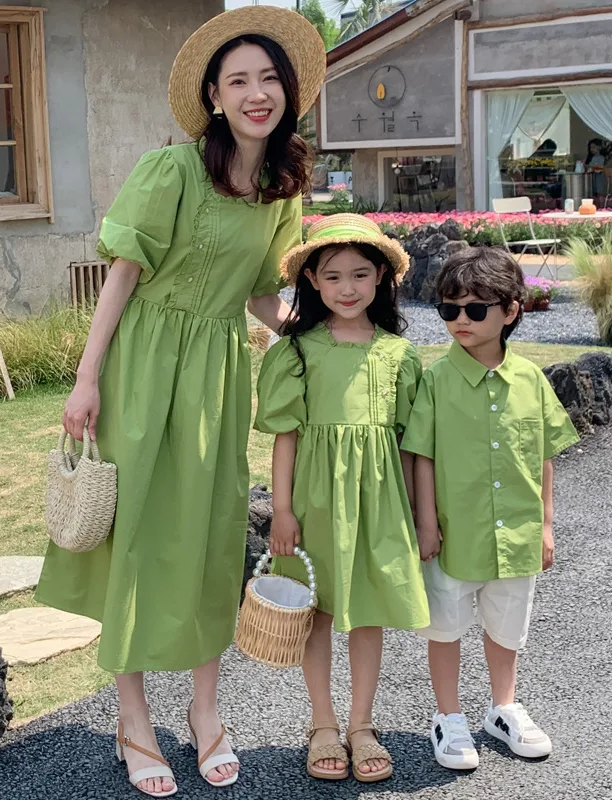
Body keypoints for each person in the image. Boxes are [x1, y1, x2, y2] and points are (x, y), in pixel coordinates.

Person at [35, 7, 325, 797]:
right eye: (239, 80)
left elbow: (264, 293)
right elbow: (122, 278)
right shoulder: (173, 171)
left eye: (269, 79)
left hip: (216, 378)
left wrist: (325, 330)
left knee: (206, 535)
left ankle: (205, 712)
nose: (256, 93)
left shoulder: (281, 189)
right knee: (134, 535)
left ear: (288, 92)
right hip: (140, 369)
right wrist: (86, 378)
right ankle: (133, 718)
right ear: (213, 94)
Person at [254, 214, 430, 784]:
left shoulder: (400, 355)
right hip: (315, 502)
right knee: (319, 611)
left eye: (359, 274)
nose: (347, 288)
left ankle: (361, 724)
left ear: (380, 277)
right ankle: (322, 723)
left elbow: (409, 445)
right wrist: (281, 511)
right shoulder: (298, 351)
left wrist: (413, 515)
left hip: (380, 505)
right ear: (312, 281)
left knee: (369, 611)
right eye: (333, 277)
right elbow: (287, 438)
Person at [401, 247, 579, 771]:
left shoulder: (530, 380)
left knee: (507, 626)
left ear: (510, 311)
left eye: (475, 310)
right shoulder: (435, 381)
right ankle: (448, 716)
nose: (460, 320)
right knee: (445, 625)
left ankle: (503, 707)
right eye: (449, 309)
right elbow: (422, 455)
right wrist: (426, 522)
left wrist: (546, 525)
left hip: (517, 535)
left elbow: (544, 454)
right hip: (455, 534)